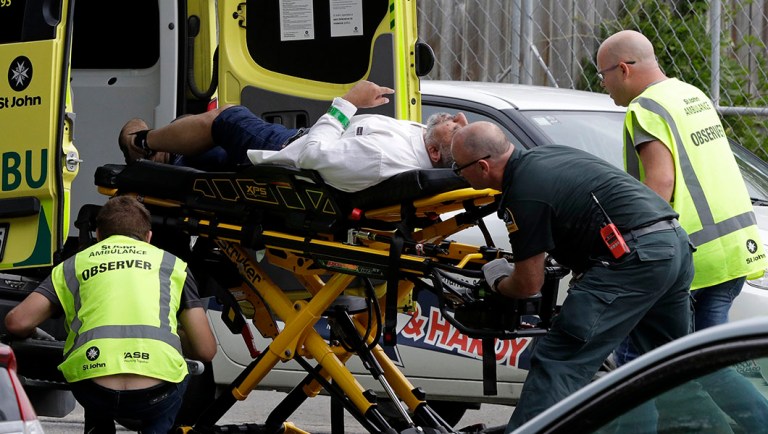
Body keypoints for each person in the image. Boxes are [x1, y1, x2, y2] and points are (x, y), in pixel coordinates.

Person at [450, 121, 695, 431]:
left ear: (483, 167)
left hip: (634, 260)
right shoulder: (549, 155)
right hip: (673, 245)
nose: (460, 175)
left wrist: (497, 277)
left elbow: (528, 284)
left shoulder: (523, 194)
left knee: (559, 360)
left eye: (460, 169)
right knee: (674, 365)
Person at [597, 29, 768, 433]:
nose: (602, 85)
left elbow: (660, 183)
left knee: (649, 362)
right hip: (730, 249)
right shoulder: (690, 94)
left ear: (623, 69)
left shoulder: (646, 109)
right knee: (705, 362)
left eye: (603, 75)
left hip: (690, 258)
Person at [4, 195, 217, 434]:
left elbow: (17, 321)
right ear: (148, 238)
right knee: (178, 382)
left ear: (98, 235)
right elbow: (205, 350)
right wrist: (173, 334)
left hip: (94, 388)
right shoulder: (173, 266)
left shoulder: (74, 265)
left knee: (90, 371)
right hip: (156, 393)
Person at [119, 80, 465, 192]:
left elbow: (312, 155)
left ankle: (142, 143)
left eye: (458, 128)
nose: (456, 117)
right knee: (219, 158)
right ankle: (166, 160)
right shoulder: (425, 143)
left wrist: (348, 103)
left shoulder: (382, 158)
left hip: (289, 152)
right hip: (299, 141)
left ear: (436, 153)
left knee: (226, 117)